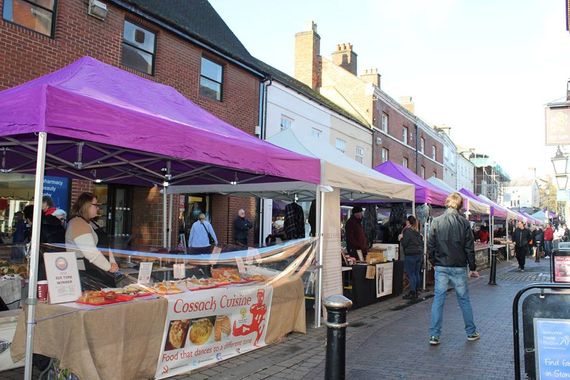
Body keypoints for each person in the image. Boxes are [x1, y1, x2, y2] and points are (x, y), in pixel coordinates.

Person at [428, 192, 480, 346]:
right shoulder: (464, 223)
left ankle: (434, 335)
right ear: (460, 205)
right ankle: (471, 332)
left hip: (441, 265)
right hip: (458, 266)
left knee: (438, 300)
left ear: (447, 203)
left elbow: (430, 244)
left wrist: (433, 261)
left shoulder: (436, 221)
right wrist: (472, 267)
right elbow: (469, 247)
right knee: (463, 300)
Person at [66, 192, 118, 288]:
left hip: (98, 270)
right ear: (87, 206)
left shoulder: (91, 223)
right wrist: (108, 267)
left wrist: (112, 262)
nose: (98, 208)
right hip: (85, 273)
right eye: (96, 205)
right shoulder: (78, 223)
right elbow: (91, 252)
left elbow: (106, 246)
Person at [400, 215, 423, 300]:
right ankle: (416, 290)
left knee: (411, 274)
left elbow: (405, 243)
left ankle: (413, 292)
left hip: (411, 255)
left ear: (408, 222)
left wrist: (401, 238)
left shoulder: (407, 231)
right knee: (416, 273)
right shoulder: (417, 232)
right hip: (419, 254)